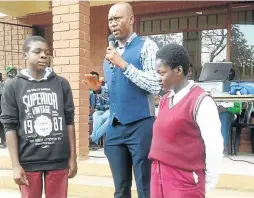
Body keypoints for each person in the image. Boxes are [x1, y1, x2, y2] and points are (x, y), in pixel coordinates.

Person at [84, 2, 160, 197]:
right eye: (110, 19)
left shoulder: (147, 46)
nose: (113, 23)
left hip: (141, 125)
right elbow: (116, 95)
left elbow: (155, 86)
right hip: (115, 128)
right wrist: (99, 89)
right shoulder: (109, 55)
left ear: (132, 19)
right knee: (120, 189)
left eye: (118, 18)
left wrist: (124, 65)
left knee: (145, 188)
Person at [0, 36, 77, 198]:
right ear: (25, 55)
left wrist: (73, 158)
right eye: (37, 51)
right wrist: (15, 165)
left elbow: (69, 122)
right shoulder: (12, 86)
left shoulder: (61, 84)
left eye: (47, 53)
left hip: (58, 159)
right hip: (28, 160)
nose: (43, 55)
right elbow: (9, 126)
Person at [149, 43, 223, 198]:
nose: (158, 78)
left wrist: (208, 181)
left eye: (162, 73)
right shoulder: (165, 100)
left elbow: (214, 144)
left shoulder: (201, 101)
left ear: (178, 70)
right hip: (159, 175)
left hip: (185, 180)